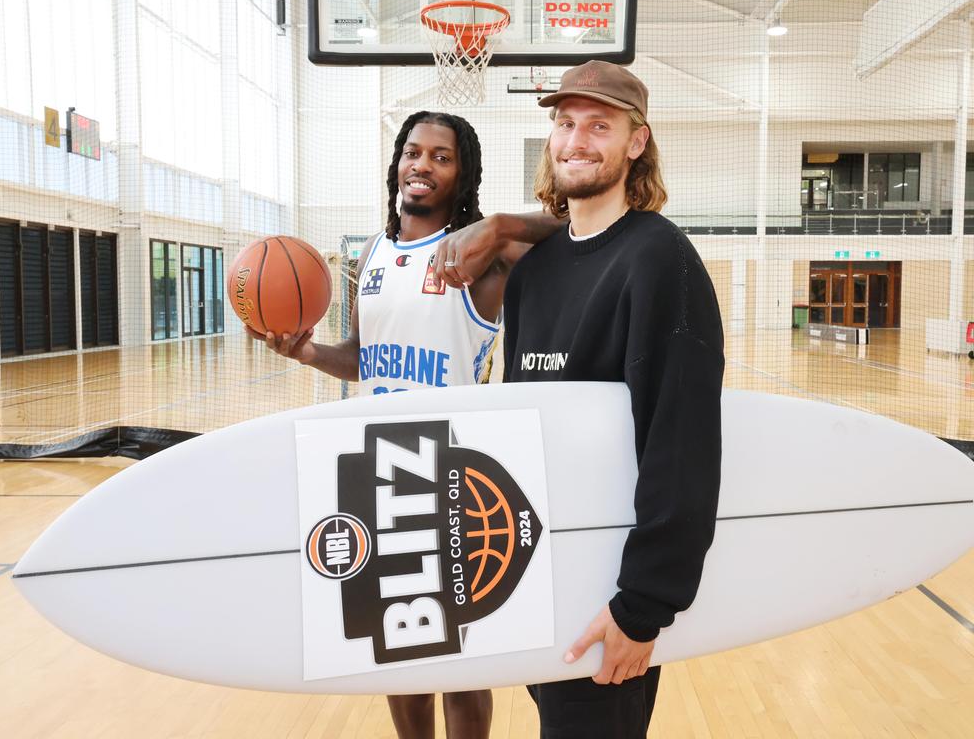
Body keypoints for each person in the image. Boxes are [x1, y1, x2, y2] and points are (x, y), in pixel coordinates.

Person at [435, 60, 725, 739]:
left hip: (609, 590)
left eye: (600, 125)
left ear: (636, 142)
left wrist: (642, 606)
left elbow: (680, 445)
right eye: (564, 123)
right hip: (536, 572)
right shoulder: (534, 273)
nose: (576, 140)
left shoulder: (660, 261)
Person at [246, 110, 554, 739]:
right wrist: (307, 352)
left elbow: (574, 228)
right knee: (398, 657)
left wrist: (496, 225)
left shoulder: (482, 255)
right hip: (379, 469)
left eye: (441, 157)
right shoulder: (374, 251)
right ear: (396, 163)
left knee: (463, 666)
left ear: (462, 174)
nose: (421, 165)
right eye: (413, 152)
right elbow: (362, 354)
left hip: (455, 475)